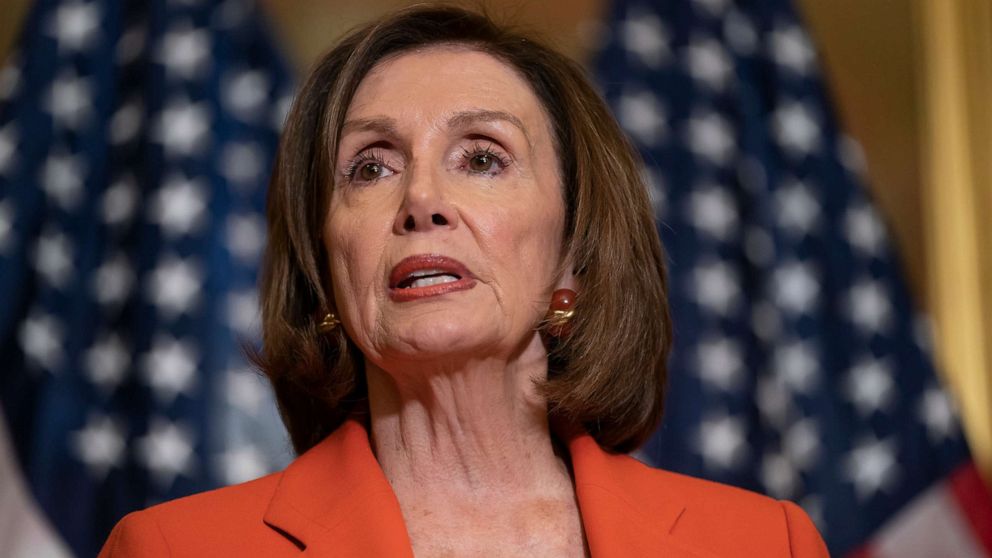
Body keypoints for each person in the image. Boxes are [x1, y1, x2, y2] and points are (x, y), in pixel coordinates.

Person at [99, 5, 829, 557]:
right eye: (370, 167)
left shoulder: (764, 541)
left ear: (573, 251)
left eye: (482, 158)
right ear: (325, 266)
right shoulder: (175, 548)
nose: (420, 200)